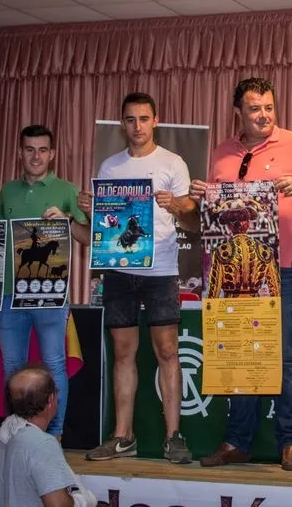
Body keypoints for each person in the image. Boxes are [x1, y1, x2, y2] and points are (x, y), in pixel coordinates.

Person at [191, 77, 292, 471]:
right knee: (239, 353)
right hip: (233, 271)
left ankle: (290, 442)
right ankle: (237, 442)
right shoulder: (223, 152)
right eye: (255, 108)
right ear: (238, 111)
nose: (264, 116)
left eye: (269, 107)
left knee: (286, 356)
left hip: (282, 268)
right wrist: (199, 199)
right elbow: (210, 217)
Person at [78, 92, 199, 464]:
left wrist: (176, 205)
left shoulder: (173, 163)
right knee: (123, 353)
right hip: (118, 270)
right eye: (130, 120)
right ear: (123, 124)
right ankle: (122, 436)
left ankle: (173, 436)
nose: (137, 127)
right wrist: (91, 211)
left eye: (144, 119)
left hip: (161, 270)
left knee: (167, 352)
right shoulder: (110, 167)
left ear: (155, 120)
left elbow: (193, 224)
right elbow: (104, 227)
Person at [0, 124, 90, 451]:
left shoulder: (67, 190)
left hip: (50, 292)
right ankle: (14, 438)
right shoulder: (7, 191)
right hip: (8, 293)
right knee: (12, 368)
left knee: (54, 363)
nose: (36, 156)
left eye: (43, 150)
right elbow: (0, 241)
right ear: (20, 153)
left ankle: (54, 436)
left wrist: (66, 218)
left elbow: (88, 238)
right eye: (30, 150)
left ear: (53, 154)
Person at [0, 363, 97, 507]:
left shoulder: (0, 441)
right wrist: (83, 501)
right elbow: (58, 505)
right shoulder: (42, 444)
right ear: (51, 400)